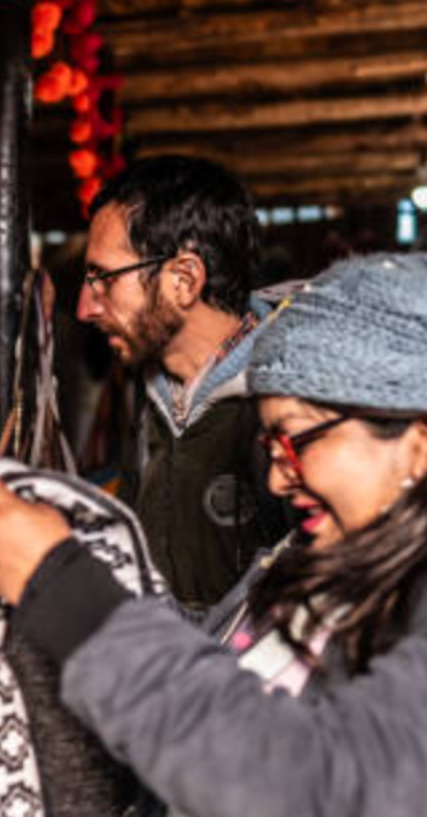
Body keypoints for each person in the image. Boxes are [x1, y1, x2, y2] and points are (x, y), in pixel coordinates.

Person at [0, 253, 427, 816]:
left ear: (424, 440)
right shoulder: (360, 568)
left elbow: (328, 786)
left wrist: (66, 592)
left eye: (295, 441)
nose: (279, 480)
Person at [75, 155, 288, 616]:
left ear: (184, 279)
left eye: (102, 279)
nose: (85, 308)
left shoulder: (292, 400)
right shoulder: (145, 388)